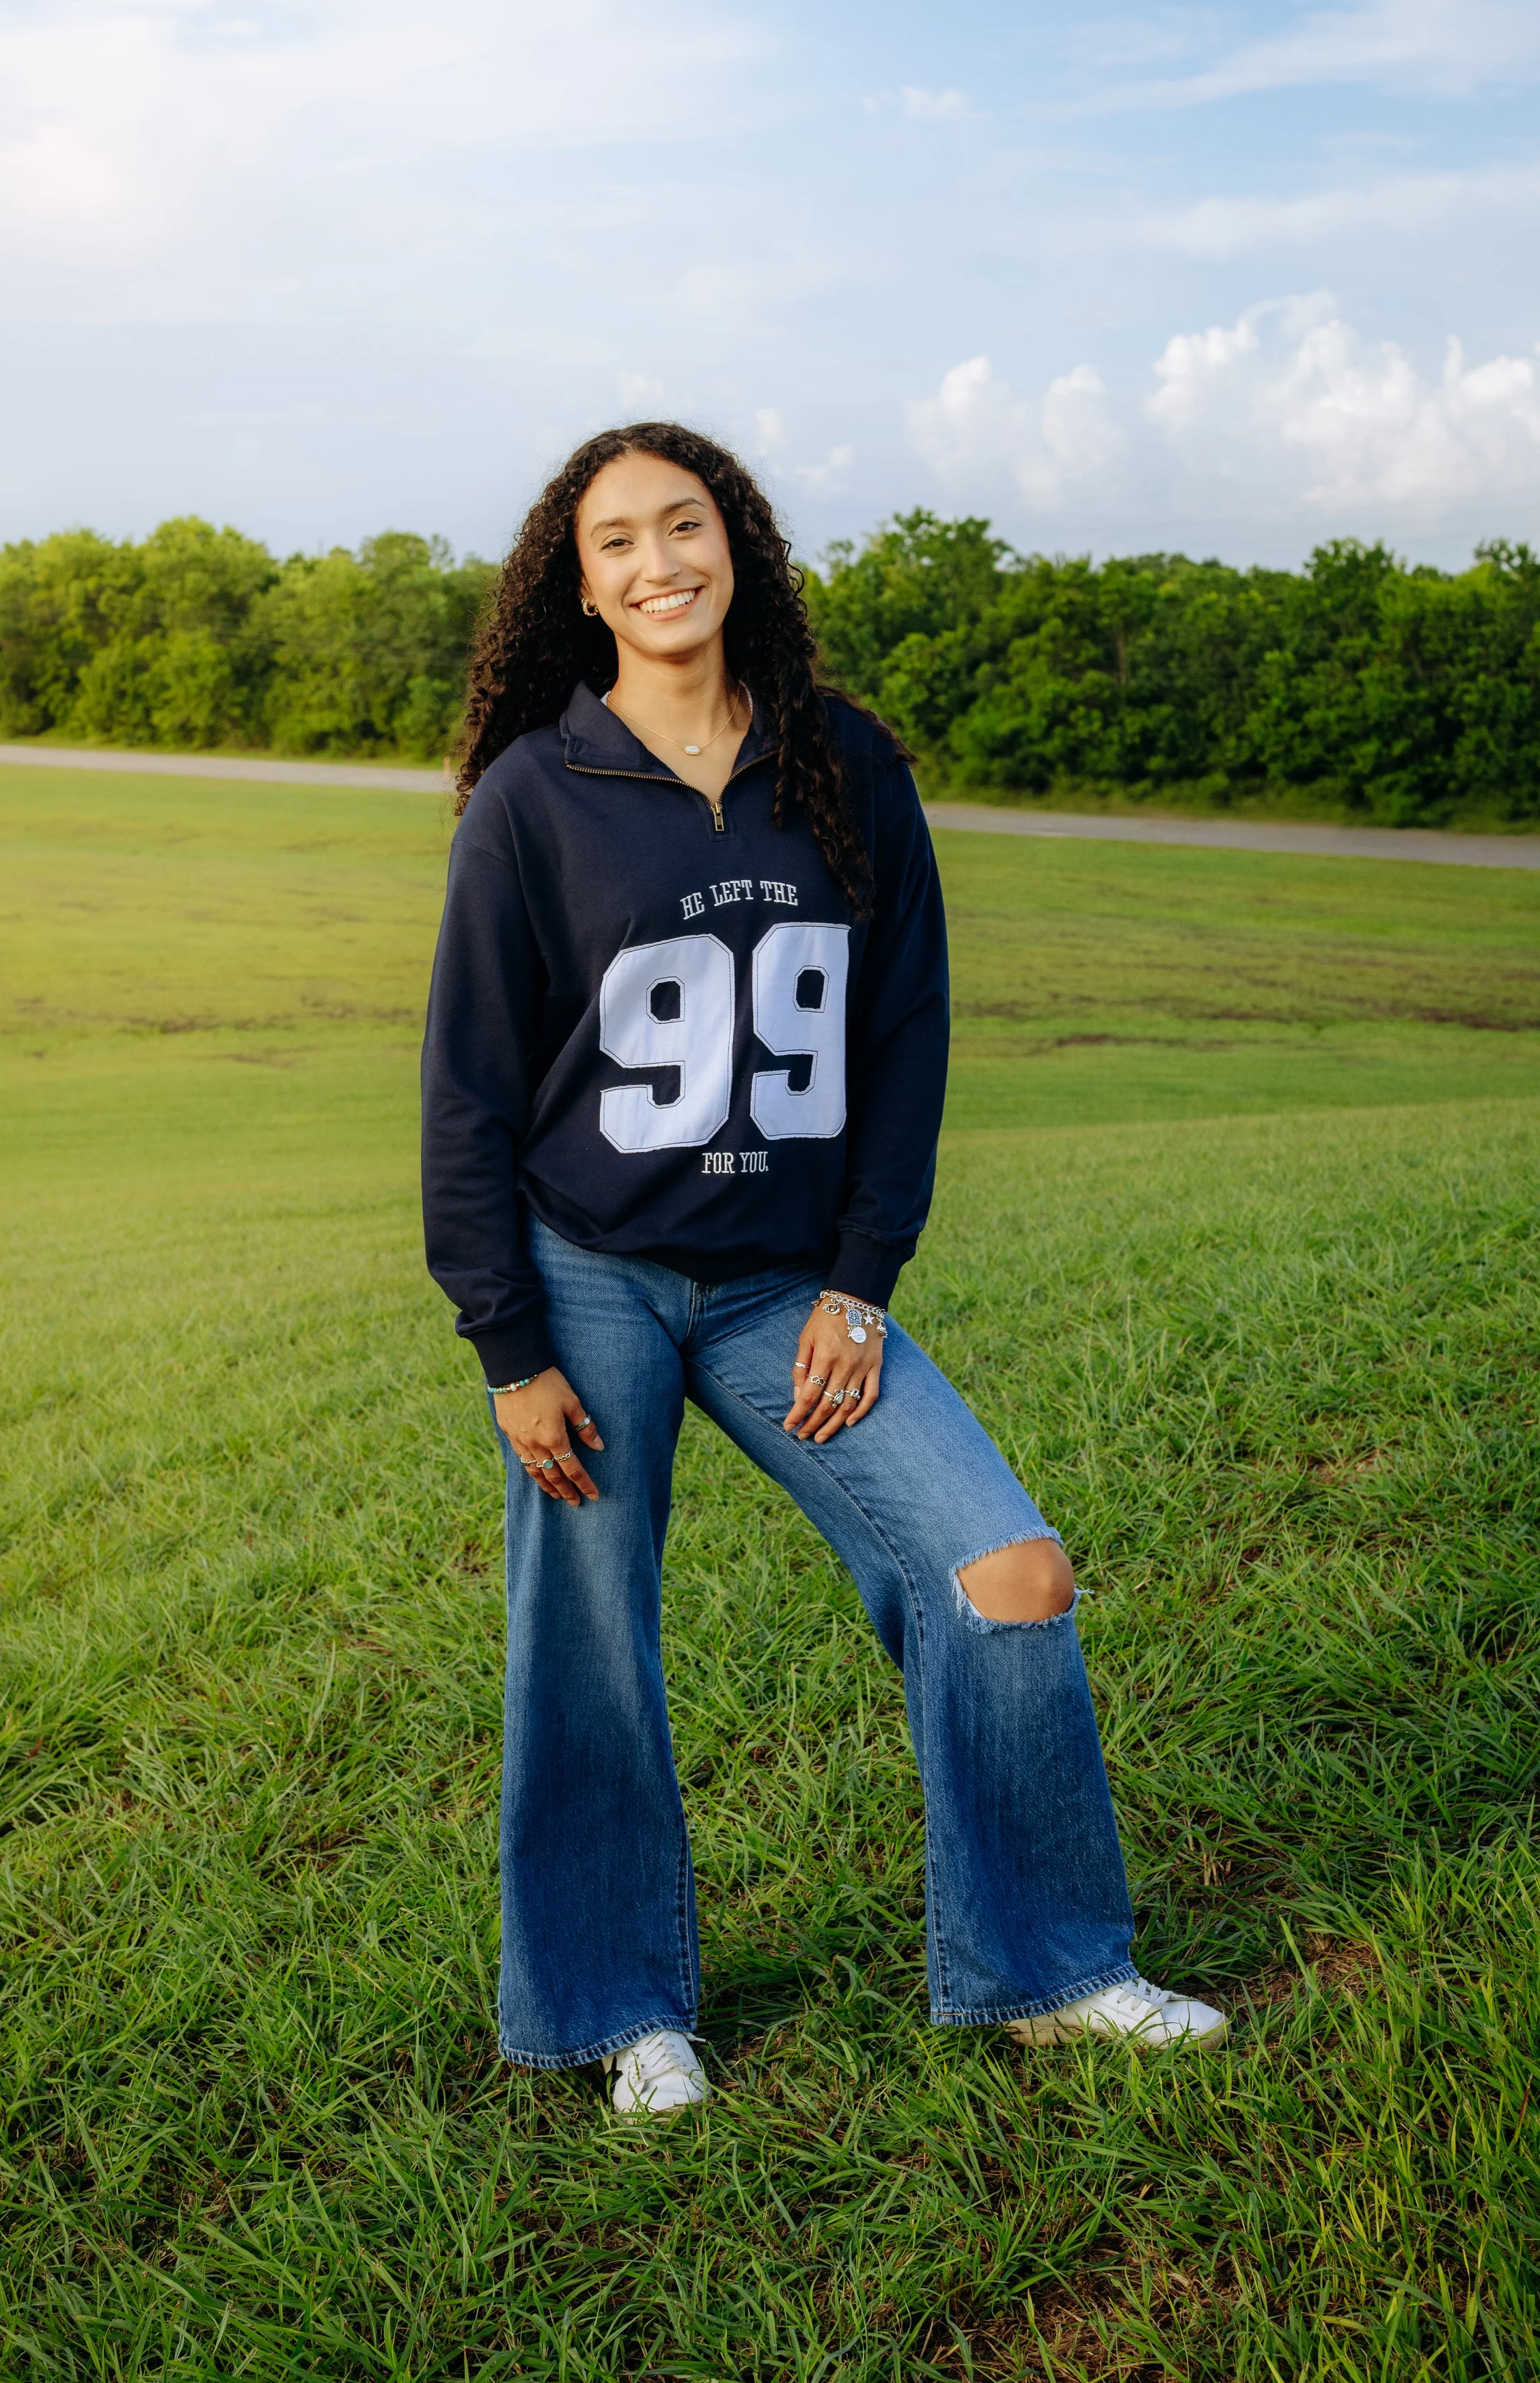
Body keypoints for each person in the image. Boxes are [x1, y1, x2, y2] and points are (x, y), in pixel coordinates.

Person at [422, 422, 1226, 2115]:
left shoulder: (841, 762)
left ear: (740, 544)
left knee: (1003, 1570)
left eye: (684, 524)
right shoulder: (530, 800)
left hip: (794, 1285)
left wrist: (862, 1280)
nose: (658, 563)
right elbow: (469, 1093)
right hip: (589, 1277)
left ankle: (1046, 1970)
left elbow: (907, 1030)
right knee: (587, 1637)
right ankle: (613, 2010)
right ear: (578, 589)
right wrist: (510, 1347)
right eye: (618, 543)